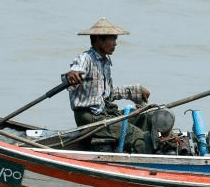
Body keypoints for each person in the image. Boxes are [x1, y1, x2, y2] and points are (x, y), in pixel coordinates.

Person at [65, 18, 153, 153]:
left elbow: (109, 94)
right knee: (138, 137)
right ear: (99, 39)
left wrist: (136, 92)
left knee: (144, 118)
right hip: (90, 117)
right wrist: (71, 75)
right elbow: (75, 70)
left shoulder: (105, 62)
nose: (115, 44)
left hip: (105, 113)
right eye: (112, 39)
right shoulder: (85, 58)